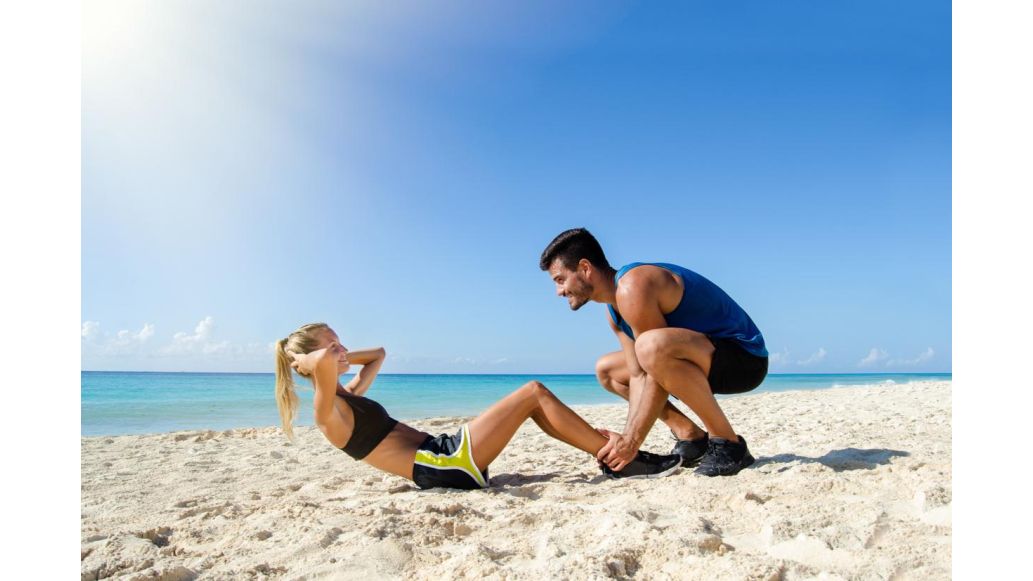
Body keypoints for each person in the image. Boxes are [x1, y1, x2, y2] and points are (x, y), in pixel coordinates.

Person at [274, 322, 681, 491]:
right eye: (334, 345)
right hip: (445, 467)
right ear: (308, 365)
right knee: (533, 391)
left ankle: (612, 454)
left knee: (535, 404)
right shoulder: (327, 412)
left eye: (341, 341)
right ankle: (621, 458)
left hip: (446, 453)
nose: (343, 350)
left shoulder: (350, 397)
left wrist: (336, 352)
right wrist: (309, 358)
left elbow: (378, 354)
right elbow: (324, 366)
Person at [539, 228, 769, 477]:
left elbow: (653, 369)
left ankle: (728, 444)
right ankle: (690, 436)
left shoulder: (633, 286)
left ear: (585, 268)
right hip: (700, 358)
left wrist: (631, 442)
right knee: (608, 370)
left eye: (560, 279)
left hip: (744, 360)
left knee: (650, 346)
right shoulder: (613, 309)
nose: (558, 291)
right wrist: (628, 438)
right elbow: (639, 374)